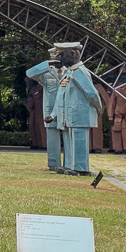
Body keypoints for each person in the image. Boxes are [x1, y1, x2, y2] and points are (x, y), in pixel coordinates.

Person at [51, 43, 102, 175]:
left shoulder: (79, 72)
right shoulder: (70, 72)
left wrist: (98, 107)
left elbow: (91, 93)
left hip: (80, 113)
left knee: (79, 141)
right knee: (69, 141)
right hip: (70, 114)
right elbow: (62, 94)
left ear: (72, 55)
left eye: (62, 55)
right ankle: (70, 165)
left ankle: (81, 167)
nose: (59, 58)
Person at [27, 48, 64, 171]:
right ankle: (54, 165)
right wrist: (48, 64)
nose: (57, 61)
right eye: (55, 59)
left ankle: (69, 164)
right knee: (52, 138)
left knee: (69, 138)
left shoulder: (68, 72)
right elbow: (30, 73)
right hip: (50, 109)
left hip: (65, 109)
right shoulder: (46, 73)